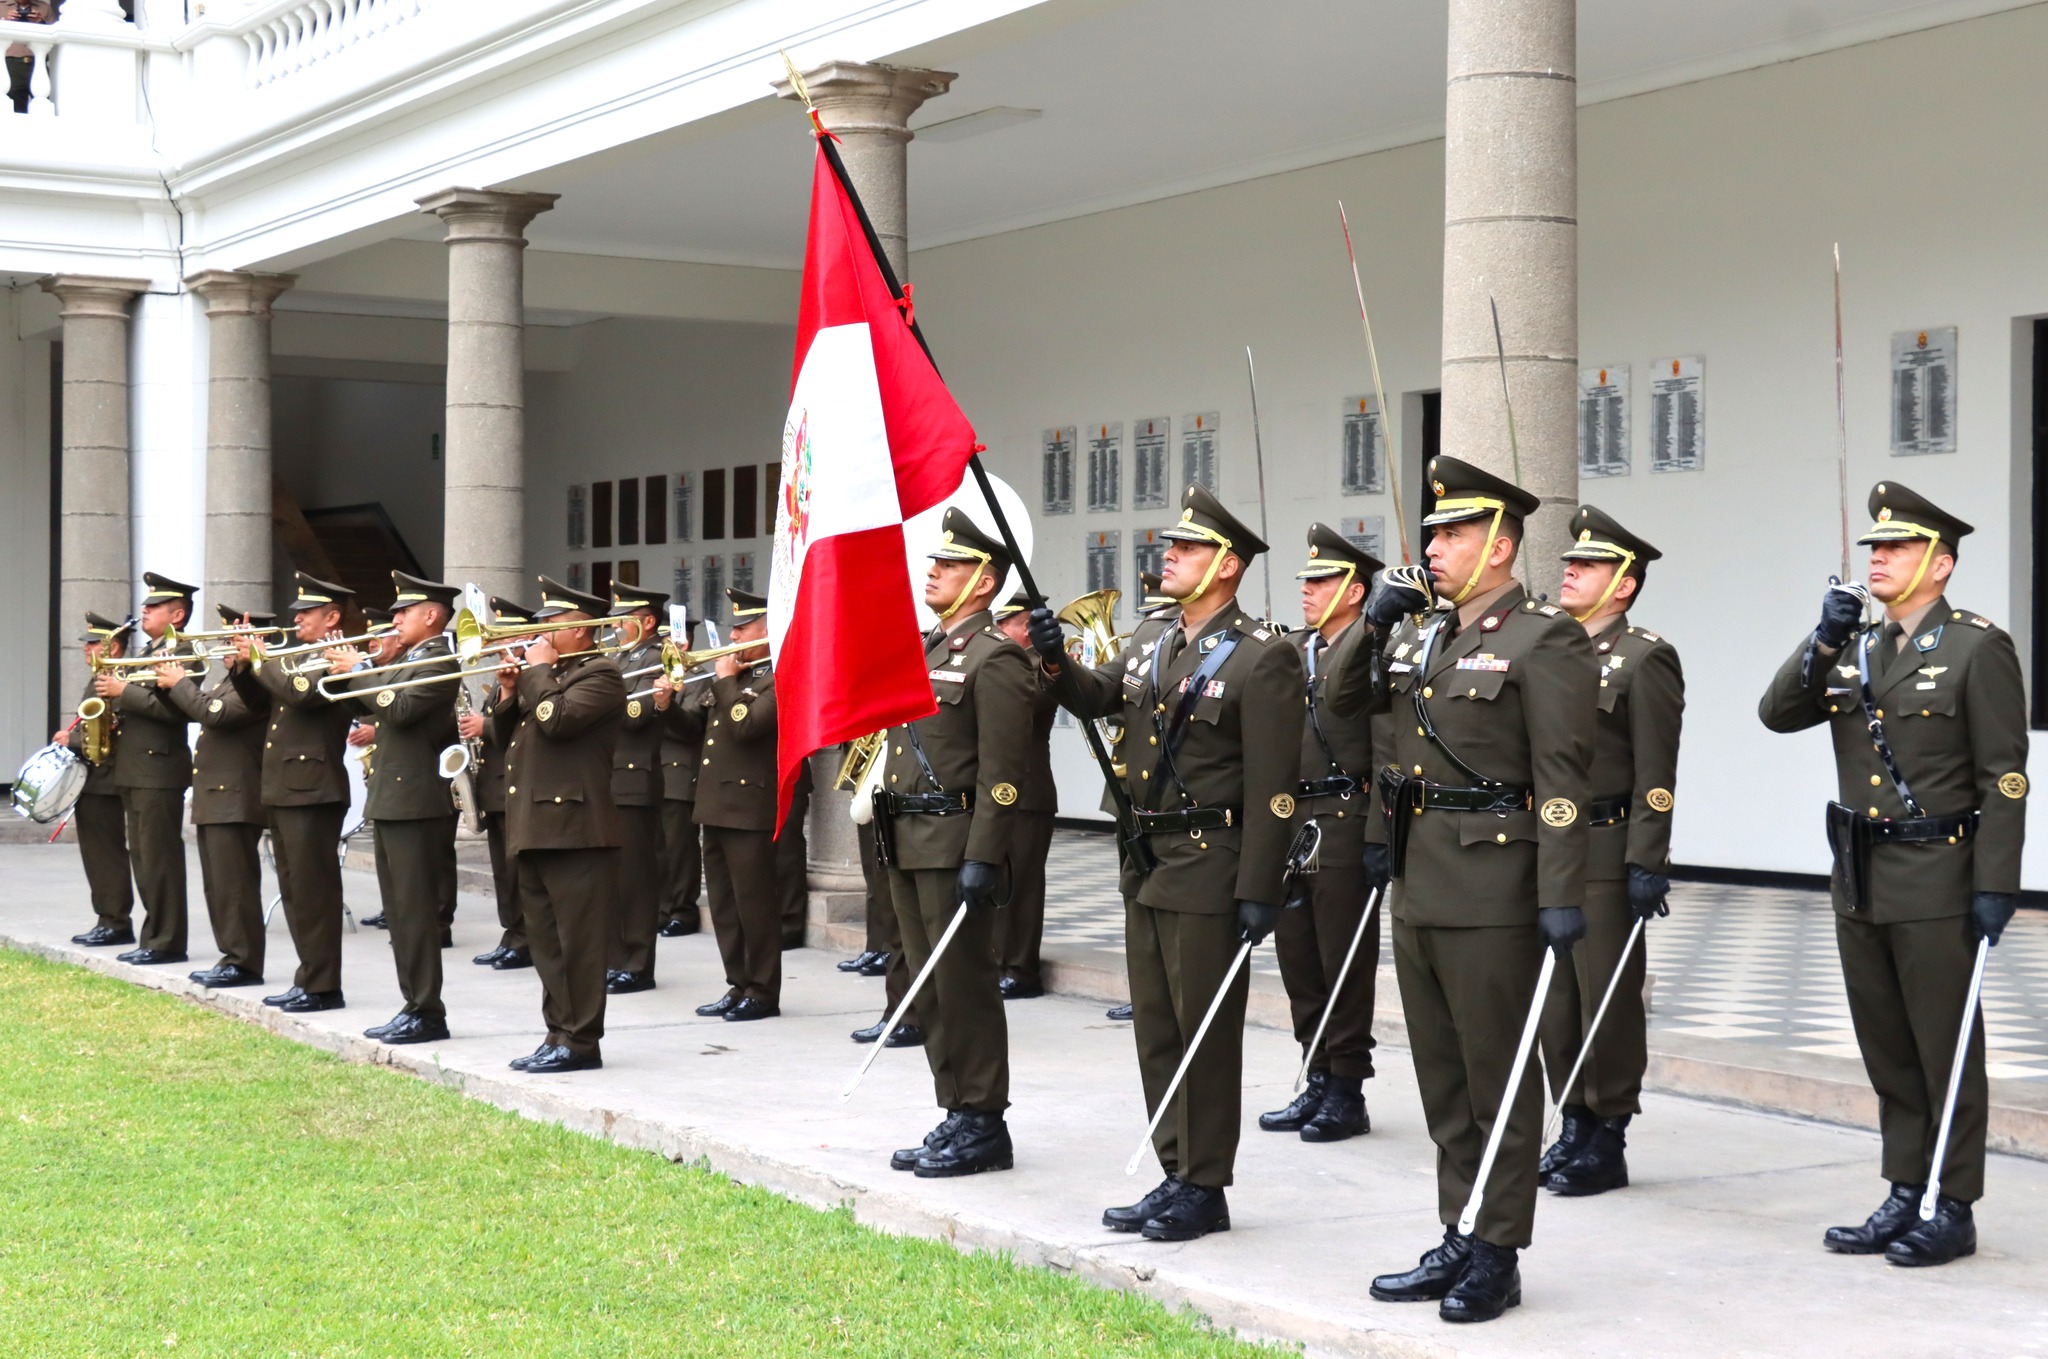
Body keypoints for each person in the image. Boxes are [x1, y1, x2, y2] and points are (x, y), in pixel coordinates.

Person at [1027, 485, 1304, 1241]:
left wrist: (1261, 887)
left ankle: (1205, 1183)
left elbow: (1276, 787)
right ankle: (1174, 1168)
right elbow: (1097, 696)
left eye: (1186, 547)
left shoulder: (1264, 654)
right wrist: (1053, 658)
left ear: (1227, 565)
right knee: (1156, 1026)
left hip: (1212, 861)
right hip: (1146, 856)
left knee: (1203, 1031)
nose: (1168, 555)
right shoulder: (1153, 636)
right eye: (1171, 545)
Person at [1760, 482, 2025, 1268]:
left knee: (1945, 1047)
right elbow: (1777, 712)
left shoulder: (1977, 647)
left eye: (1897, 547)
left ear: (1940, 565)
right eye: (1874, 547)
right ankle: (1905, 1187)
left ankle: (1953, 1203)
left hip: (1939, 873)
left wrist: (1995, 883)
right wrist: (1820, 639)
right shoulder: (1856, 648)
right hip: (1860, 873)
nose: (1877, 558)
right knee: (1889, 1047)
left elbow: (2006, 777)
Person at [1356, 456, 1595, 1324]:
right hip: (1420, 878)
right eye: (1433, 533)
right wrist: (1370, 625)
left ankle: (1498, 1248)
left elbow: (1563, 776)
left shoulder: (1544, 638)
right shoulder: (1421, 634)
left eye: (1451, 533)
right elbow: (1349, 711)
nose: (1433, 547)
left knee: (1497, 1075)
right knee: (1444, 1078)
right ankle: (1458, 1228)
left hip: (1496, 885)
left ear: (1498, 544)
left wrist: (1560, 892)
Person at [873, 509, 1034, 1178]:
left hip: (953, 842)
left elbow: (1004, 774)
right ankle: (956, 1108)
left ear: (984, 580)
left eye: (951, 562)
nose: (933, 570)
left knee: (964, 984)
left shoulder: (996, 658)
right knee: (930, 986)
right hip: (908, 838)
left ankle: (985, 1119)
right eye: (935, 561)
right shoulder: (928, 648)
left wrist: (983, 854)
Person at [1536, 507, 1683, 1196]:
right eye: (1571, 561)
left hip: (1604, 846)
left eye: (1587, 564)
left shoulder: (1644, 657)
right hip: (1550, 848)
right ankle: (1572, 1120)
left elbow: (1657, 772)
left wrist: (1647, 859)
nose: (1570, 571)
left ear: (1623, 585)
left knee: (1604, 999)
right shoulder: (1549, 651)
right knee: (1557, 1001)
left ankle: (1608, 1133)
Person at [1260, 524, 1384, 1144]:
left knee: (1343, 960)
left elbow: (1384, 743)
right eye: (1305, 581)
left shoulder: (1373, 648)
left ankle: (1347, 1088)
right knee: (1299, 959)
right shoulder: (1294, 648)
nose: (1306, 590)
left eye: (1321, 581)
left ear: (1355, 590)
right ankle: (1316, 1074)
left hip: (1344, 817)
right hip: (1294, 820)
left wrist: (1379, 831)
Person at [493, 576, 626, 1074]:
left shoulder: (601, 675)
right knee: (547, 944)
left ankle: (582, 1041)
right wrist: (509, 691)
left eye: (553, 624)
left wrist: (536, 673)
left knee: (579, 946)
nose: (541, 633)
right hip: (536, 826)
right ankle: (558, 1033)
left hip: (576, 830)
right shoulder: (548, 675)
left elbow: (558, 720)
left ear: (583, 630)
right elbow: (505, 738)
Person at [328, 572, 462, 1044]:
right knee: (400, 913)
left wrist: (360, 668)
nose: (396, 619)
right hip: (393, 799)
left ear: (432, 615)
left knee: (415, 912)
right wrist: (350, 669)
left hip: (415, 803)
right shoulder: (409, 659)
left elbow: (399, 710)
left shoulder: (440, 661)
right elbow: (368, 707)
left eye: (405, 612)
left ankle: (427, 1010)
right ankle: (413, 1004)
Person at [235, 573, 358, 1014]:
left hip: (314, 789)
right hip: (287, 786)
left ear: (332, 618)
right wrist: (242, 667)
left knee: (314, 892)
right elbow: (258, 704)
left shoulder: (338, 655)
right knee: (294, 890)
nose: (298, 619)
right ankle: (308, 977)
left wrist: (261, 657)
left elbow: (300, 694)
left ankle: (323, 986)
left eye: (307, 613)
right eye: (298, 613)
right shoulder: (298, 655)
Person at [664, 588, 782, 1022]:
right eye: (734, 628)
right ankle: (739, 982)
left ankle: (763, 991)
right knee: (724, 905)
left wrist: (726, 681)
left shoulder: (779, 677)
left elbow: (748, 726)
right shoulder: (735, 677)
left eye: (743, 628)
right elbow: (694, 729)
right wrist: (666, 706)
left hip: (749, 807)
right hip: (714, 804)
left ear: (767, 631)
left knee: (754, 904)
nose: (733, 636)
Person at [160, 603, 277, 988]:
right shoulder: (232, 680)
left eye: (235, 640)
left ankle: (243, 963)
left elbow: (216, 714)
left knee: (235, 886)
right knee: (218, 886)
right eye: (227, 639)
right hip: (216, 796)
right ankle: (231, 956)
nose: (226, 647)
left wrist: (180, 682)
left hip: (236, 797)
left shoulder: (258, 683)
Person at [99, 572, 198, 967]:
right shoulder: (147, 649)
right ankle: (153, 936)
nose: (145, 610)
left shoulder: (184, 651)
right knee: (143, 859)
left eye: (155, 606)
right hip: (135, 767)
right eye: (146, 604)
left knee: (160, 861)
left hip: (159, 768)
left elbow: (175, 711)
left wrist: (124, 692)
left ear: (177, 614)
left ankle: (167, 942)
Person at [1102, 570, 1178, 1023]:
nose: (1154, 620)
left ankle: (1159, 990)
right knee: (1134, 896)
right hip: (1129, 794)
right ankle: (1145, 988)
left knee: (1161, 904)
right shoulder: (1145, 641)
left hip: (1171, 798)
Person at [993, 592, 1059, 1001]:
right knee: (998, 883)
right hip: (995, 792)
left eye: (1009, 625)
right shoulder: (999, 663)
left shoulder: (1040, 667)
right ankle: (999, 960)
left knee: (1023, 885)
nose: (1000, 633)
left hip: (1029, 792)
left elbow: (1024, 705)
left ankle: (1021, 969)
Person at [604, 585, 668, 995]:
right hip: (609, 778)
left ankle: (638, 964)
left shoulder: (656, 656)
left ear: (647, 622)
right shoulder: (619, 658)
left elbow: (636, 713)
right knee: (613, 878)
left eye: (623, 619)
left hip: (635, 778)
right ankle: (616, 959)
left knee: (636, 880)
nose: (615, 627)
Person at [471, 596, 535, 970]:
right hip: (495, 786)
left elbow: (517, 730)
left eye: (504, 637)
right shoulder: (505, 676)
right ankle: (511, 934)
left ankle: (524, 940)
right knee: (502, 872)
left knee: (517, 872)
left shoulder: (529, 676)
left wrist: (483, 726)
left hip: (514, 785)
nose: (497, 644)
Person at [63, 613, 135, 948]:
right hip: (93, 777)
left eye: (92, 643)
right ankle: (107, 917)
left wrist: (72, 740)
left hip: (106, 778)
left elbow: (111, 728)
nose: (85, 648)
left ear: (113, 647)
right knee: (96, 854)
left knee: (106, 853)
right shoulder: (100, 676)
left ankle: (115, 922)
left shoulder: (117, 676)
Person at [657, 615, 703, 940]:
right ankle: (662, 908)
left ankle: (683, 910)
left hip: (678, 771)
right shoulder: (653, 673)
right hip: (653, 769)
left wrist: (665, 703)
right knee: (657, 849)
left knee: (679, 848)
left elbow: (688, 726)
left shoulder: (697, 678)